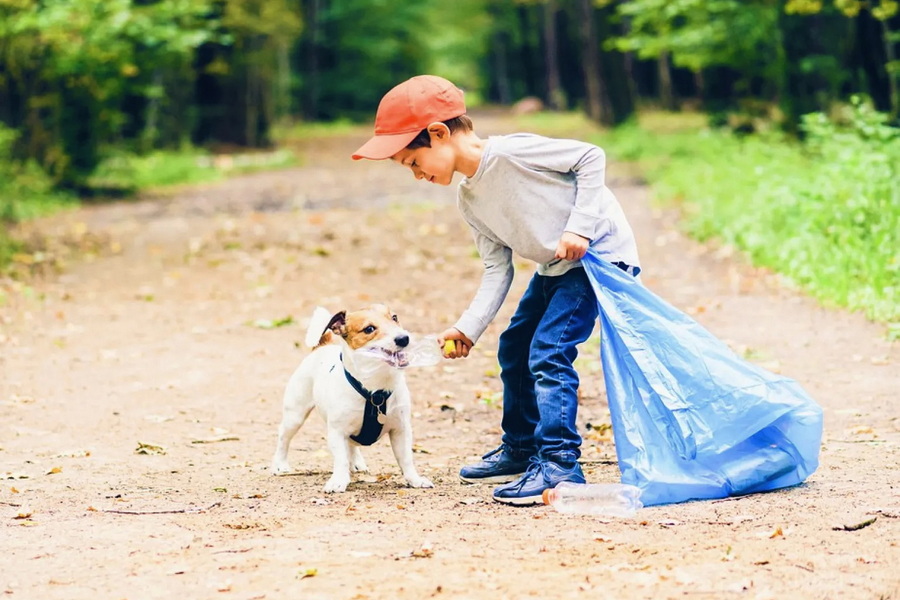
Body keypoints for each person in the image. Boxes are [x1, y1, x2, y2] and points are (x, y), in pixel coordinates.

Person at [351, 75, 642, 505]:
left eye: (414, 162)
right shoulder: (469, 199)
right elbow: (496, 270)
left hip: (599, 258)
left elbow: (590, 156)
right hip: (557, 266)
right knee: (514, 345)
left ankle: (560, 463)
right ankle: (522, 448)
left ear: (438, 133)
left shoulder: (511, 152)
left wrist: (580, 226)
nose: (416, 175)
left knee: (548, 350)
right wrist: (467, 328)